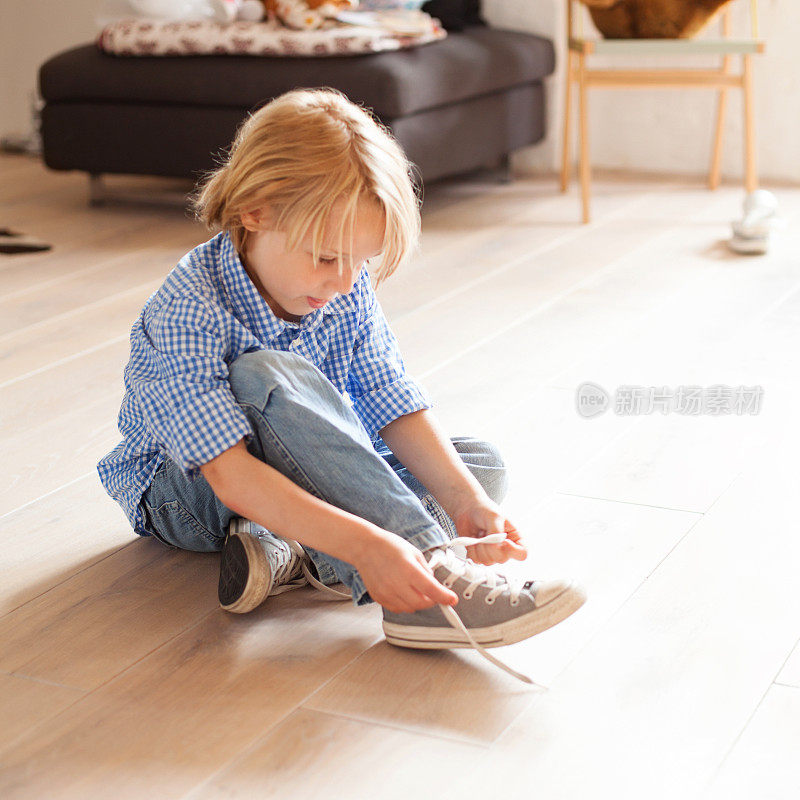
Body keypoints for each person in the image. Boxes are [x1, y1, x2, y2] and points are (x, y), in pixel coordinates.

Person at [96, 88, 586, 684]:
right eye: (328, 258)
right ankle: (428, 586)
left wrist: (465, 503)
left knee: (478, 466)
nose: (346, 281)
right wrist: (373, 547)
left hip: (295, 468)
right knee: (263, 372)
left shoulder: (343, 285)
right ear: (256, 211)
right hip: (192, 493)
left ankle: (288, 548)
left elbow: (392, 399)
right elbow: (229, 474)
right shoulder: (188, 308)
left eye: (362, 262)